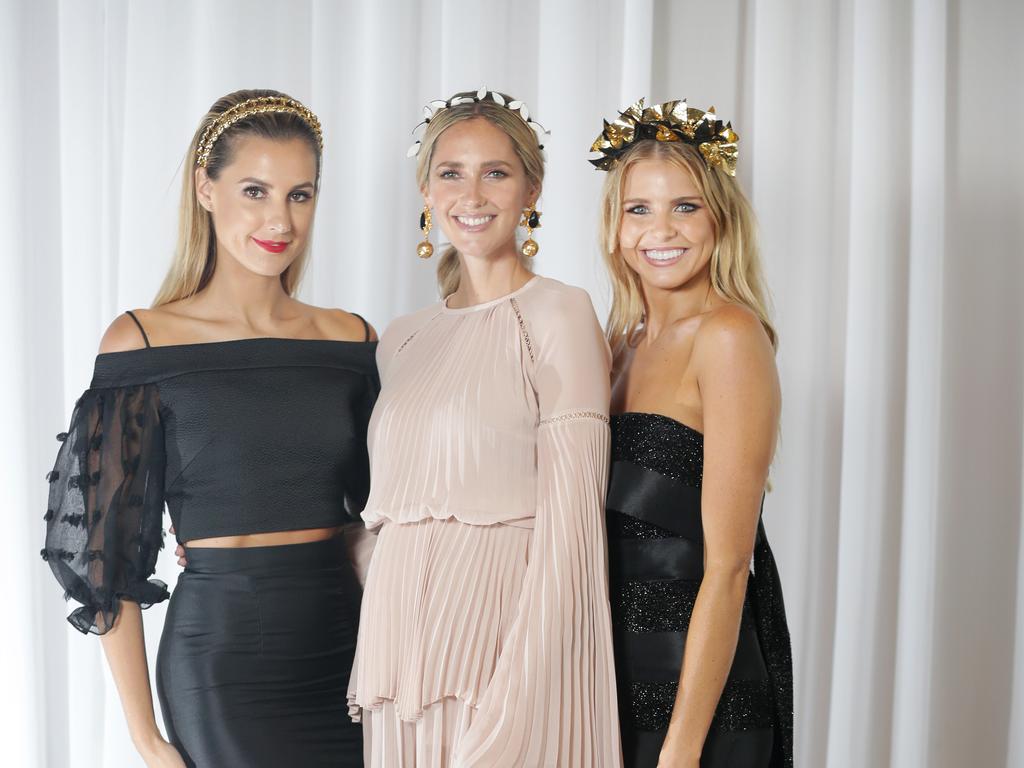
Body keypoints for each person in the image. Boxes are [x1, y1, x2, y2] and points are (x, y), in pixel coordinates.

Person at [41, 89, 377, 767]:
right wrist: (147, 739)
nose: (279, 219)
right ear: (205, 187)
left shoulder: (350, 340)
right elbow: (106, 566)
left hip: (354, 654)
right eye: (255, 190)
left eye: (300, 194)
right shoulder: (141, 345)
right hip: (222, 665)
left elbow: (385, 507)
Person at [346, 89, 622, 767]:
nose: (472, 193)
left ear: (532, 187)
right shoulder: (403, 340)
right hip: (395, 654)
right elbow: (381, 517)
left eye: (495, 171)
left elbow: (574, 531)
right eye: (452, 172)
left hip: (499, 650)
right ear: (425, 188)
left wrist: (524, 689)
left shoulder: (560, 314)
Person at [590, 99, 793, 767]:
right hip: (611, 686)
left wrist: (680, 751)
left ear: (719, 219)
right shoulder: (618, 348)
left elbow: (730, 568)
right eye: (639, 209)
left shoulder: (729, 337)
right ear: (615, 227)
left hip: (699, 702)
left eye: (685, 206)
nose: (661, 230)